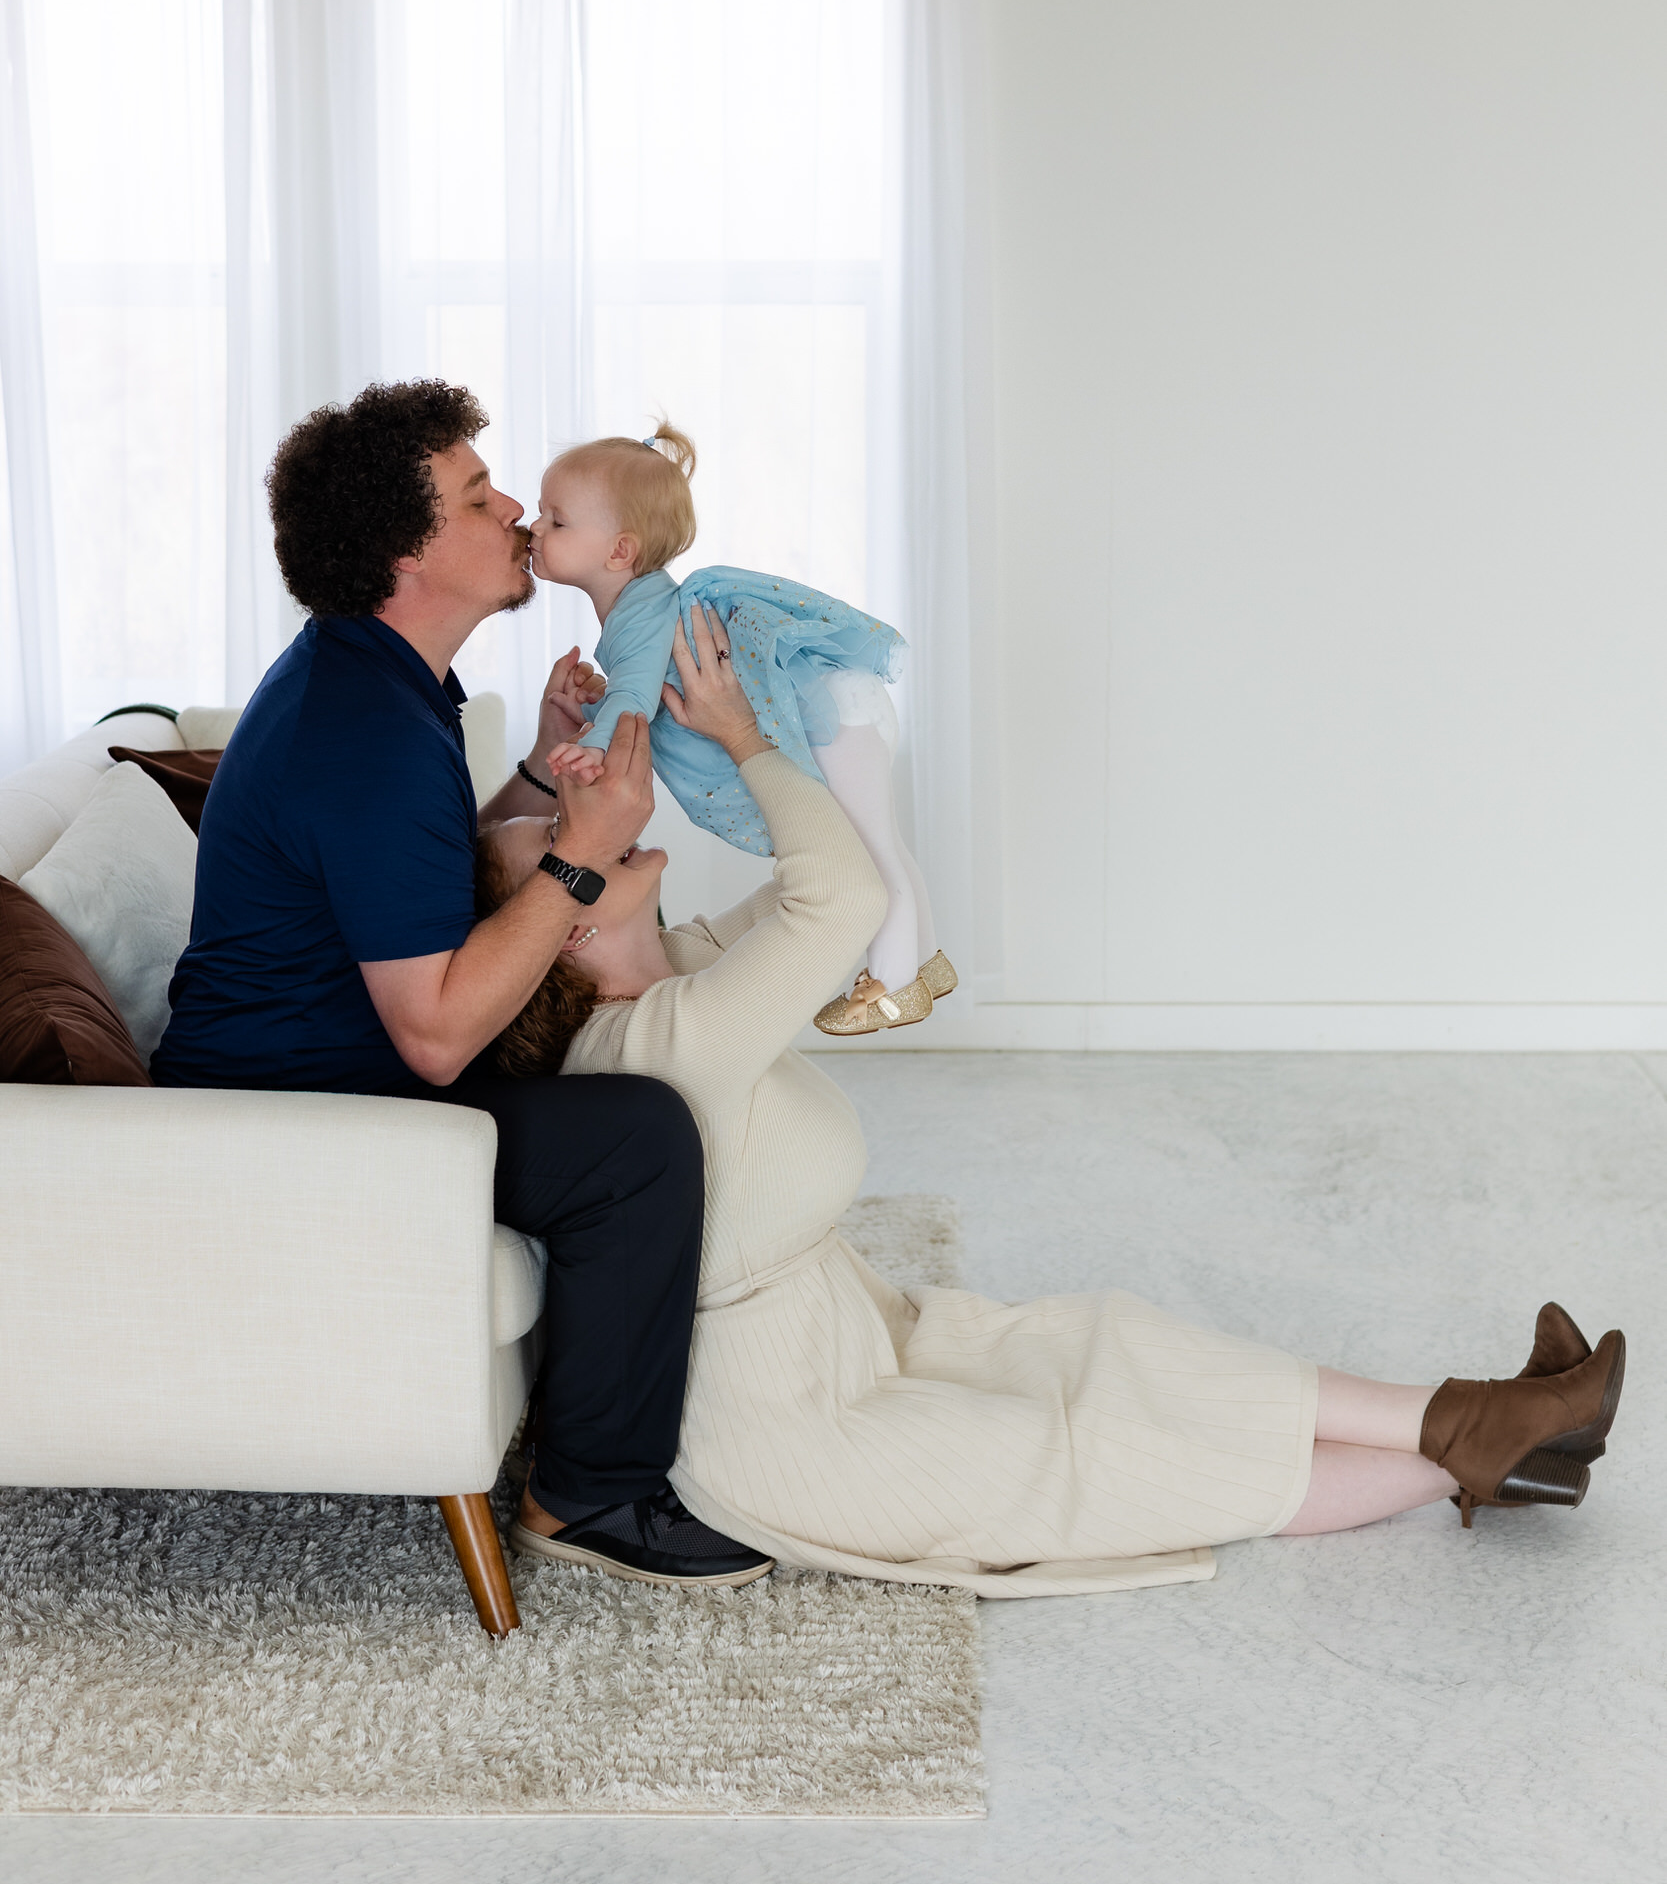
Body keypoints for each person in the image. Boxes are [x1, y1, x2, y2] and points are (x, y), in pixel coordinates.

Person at [478, 606, 1627, 1596]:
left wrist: (738, 735)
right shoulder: (655, 1041)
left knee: (1111, 1346)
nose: (588, 815)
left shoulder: (676, 969)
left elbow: (824, 891)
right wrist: (743, 738)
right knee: (1096, 1452)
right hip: (796, 1431)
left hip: (847, 1342)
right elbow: (835, 898)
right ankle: (1482, 1443)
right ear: (570, 927)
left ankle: (1479, 1414)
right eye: (558, 838)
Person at [152, 379, 772, 1592]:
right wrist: (583, 857)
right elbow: (435, 1036)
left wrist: (540, 776)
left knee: (627, 1055)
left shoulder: (380, 681)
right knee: (637, 1140)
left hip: (326, 1066)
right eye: (479, 498)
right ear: (407, 549)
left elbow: (411, 877)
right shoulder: (361, 730)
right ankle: (591, 1492)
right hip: (298, 1120)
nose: (511, 515)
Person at [524, 425, 953, 1038]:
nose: (535, 528)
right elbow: (644, 692)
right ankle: (926, 965)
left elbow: (639, 697)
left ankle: (890, 984)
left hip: (832, 710)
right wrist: (604, 710)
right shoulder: (643, 607)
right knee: (882, 841)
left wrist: (595, 740)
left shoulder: (638, 612)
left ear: (619, 551)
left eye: (555, 520)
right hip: (842, 701)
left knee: (871, 852)